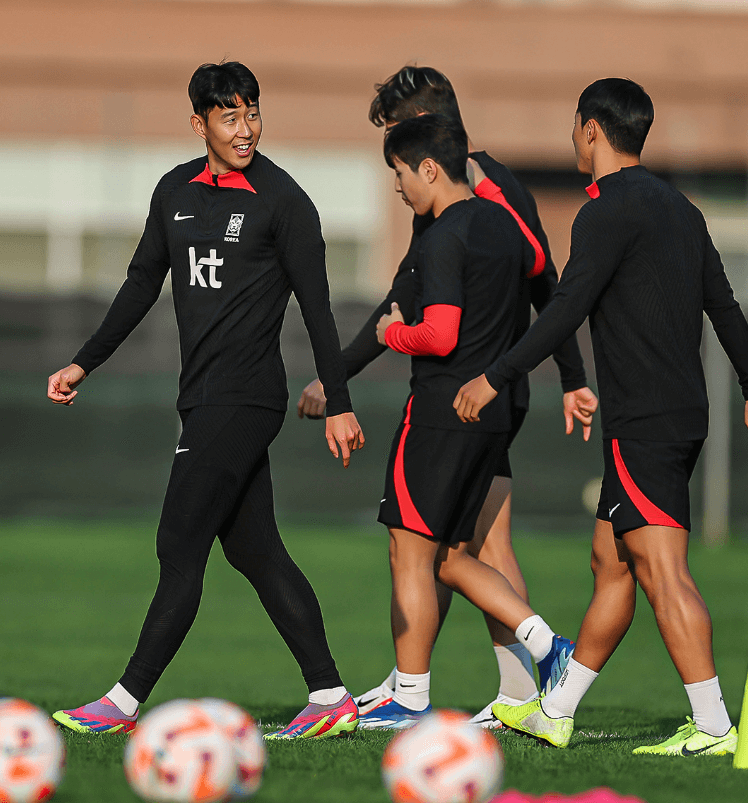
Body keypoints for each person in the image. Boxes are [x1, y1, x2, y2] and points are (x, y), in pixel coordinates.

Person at [46, 61, 365, 741]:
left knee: (178, 543)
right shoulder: (173, 192)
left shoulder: (284, 200)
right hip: (203, 398)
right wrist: (83, 362)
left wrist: (339, 400)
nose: (245, 128)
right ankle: (330, 692)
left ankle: (124, 700)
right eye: (229, 115)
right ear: (199, 123)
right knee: (255, 550)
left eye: (252, 112)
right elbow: (139, 285)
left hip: (243, 398)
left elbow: (317, 307)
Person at [455, 78, 748, 755]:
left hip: (645, 419)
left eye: (573, 128)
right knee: (610, 561)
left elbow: (563, 308)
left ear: (591, 129)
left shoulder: (603, 212)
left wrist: (495, 372)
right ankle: (556, 709)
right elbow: (726, 308)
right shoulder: (680, 208)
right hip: (679, 413)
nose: (572, 139)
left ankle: (711, 726)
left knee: (661, 570)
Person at [297, 65, 597, 726]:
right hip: (492, 390)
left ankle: (419, 688)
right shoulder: (457, 202)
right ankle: (517, 692)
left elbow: (543, 283)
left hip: (465, 393)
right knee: (481, 546)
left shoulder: (474, 196)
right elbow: (423, 286)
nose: (393, 166)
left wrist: (572, 374)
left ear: (424, 135)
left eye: (396, 141)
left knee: (429, 545)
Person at [354, 113, 575, 731]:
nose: (398, 188)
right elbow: (544, 292)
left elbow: (440, 332)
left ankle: (410, 697)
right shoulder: (506, 227)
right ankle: (550, 648)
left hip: (441, 412)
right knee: (452, 555)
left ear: (428, 167)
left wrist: (389, 333)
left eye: (399, 173)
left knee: (409, 549)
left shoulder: (446, 234)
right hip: (492, 413)